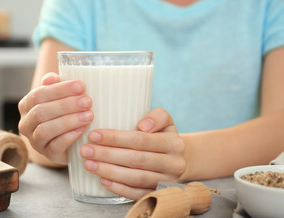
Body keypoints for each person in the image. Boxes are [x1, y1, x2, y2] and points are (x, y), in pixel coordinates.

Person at [18, 0, 284, 200]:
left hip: (236, 201)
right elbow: (37, 137)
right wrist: (48, 132)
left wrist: (185, 155)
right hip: (97, 201)